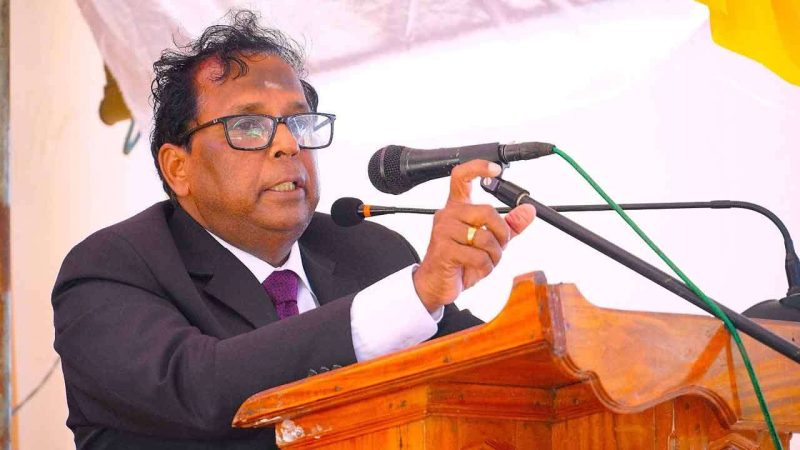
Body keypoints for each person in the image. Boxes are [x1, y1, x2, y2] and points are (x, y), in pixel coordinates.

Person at [52, 10, 536, 450]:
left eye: (299, 123)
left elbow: (494, 378)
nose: (287, 144)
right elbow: (201, 387)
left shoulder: (372, 251)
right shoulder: (113, 268)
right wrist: (417, 294)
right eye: (248, 126)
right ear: (179, 168)